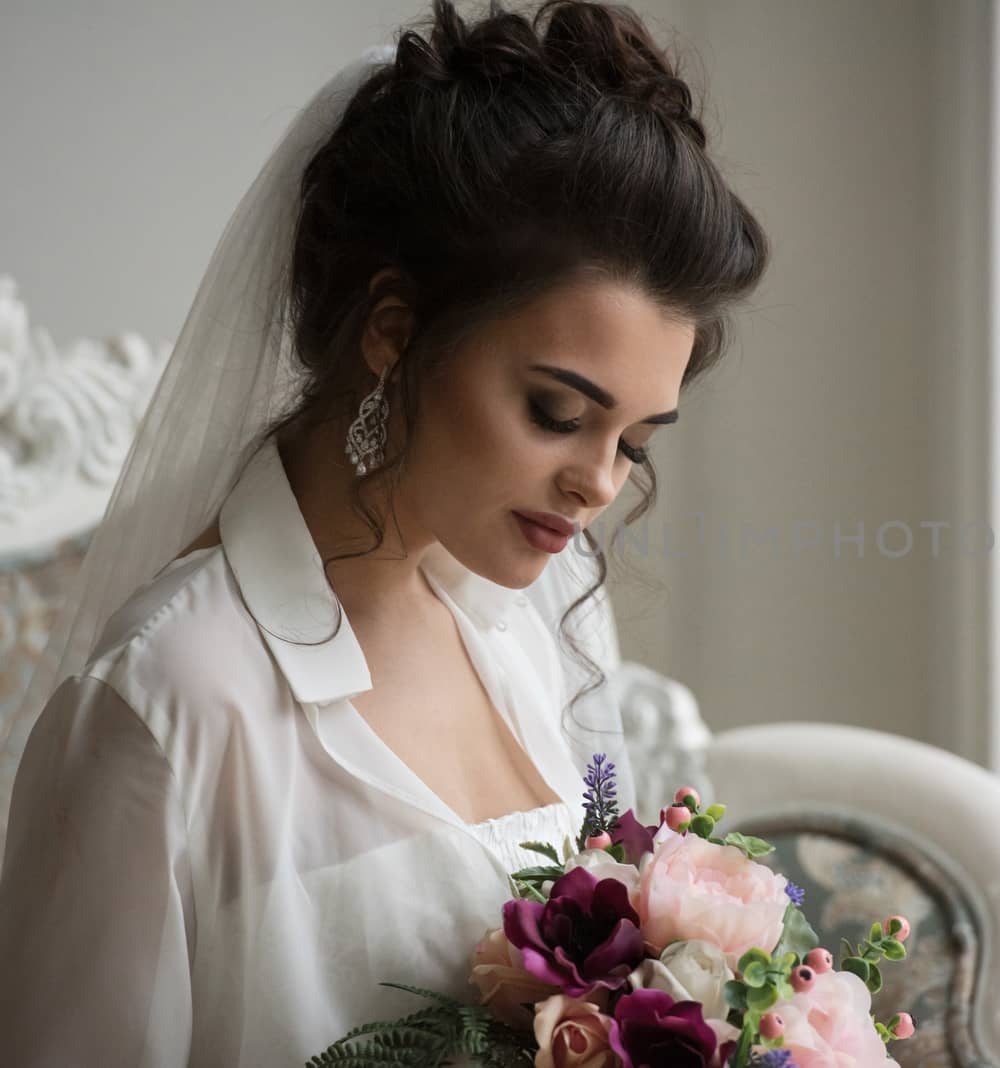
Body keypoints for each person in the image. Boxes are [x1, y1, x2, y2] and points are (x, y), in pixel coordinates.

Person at [0, 1, 769, 1063]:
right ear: (392, 332)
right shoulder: (170, 701)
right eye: (557, 412)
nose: (596, 483)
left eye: (635, 439)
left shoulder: (539, 628)